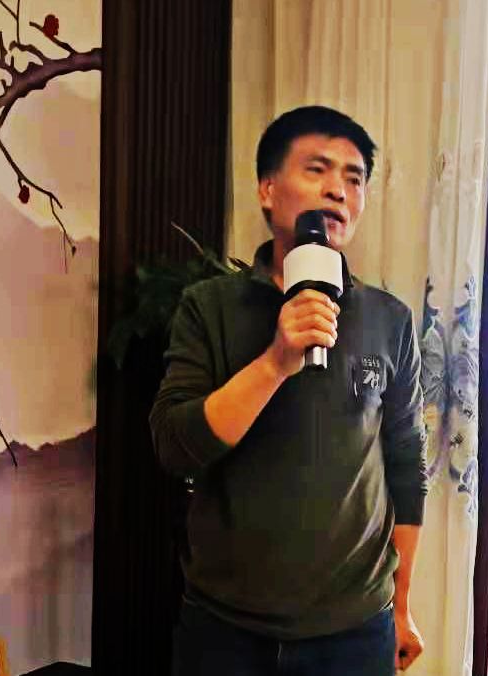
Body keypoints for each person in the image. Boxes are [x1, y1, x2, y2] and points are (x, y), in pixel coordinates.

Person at [151, 105, 428, 675]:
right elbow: (175, 447)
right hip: (225, 630)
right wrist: (276, 362)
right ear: (267, 189)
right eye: (317, 169)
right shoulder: (208, 308)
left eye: (354, 178)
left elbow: (406, 466)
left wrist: (402, 606)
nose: (338, 190)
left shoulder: (390, 320)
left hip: (355, 632)